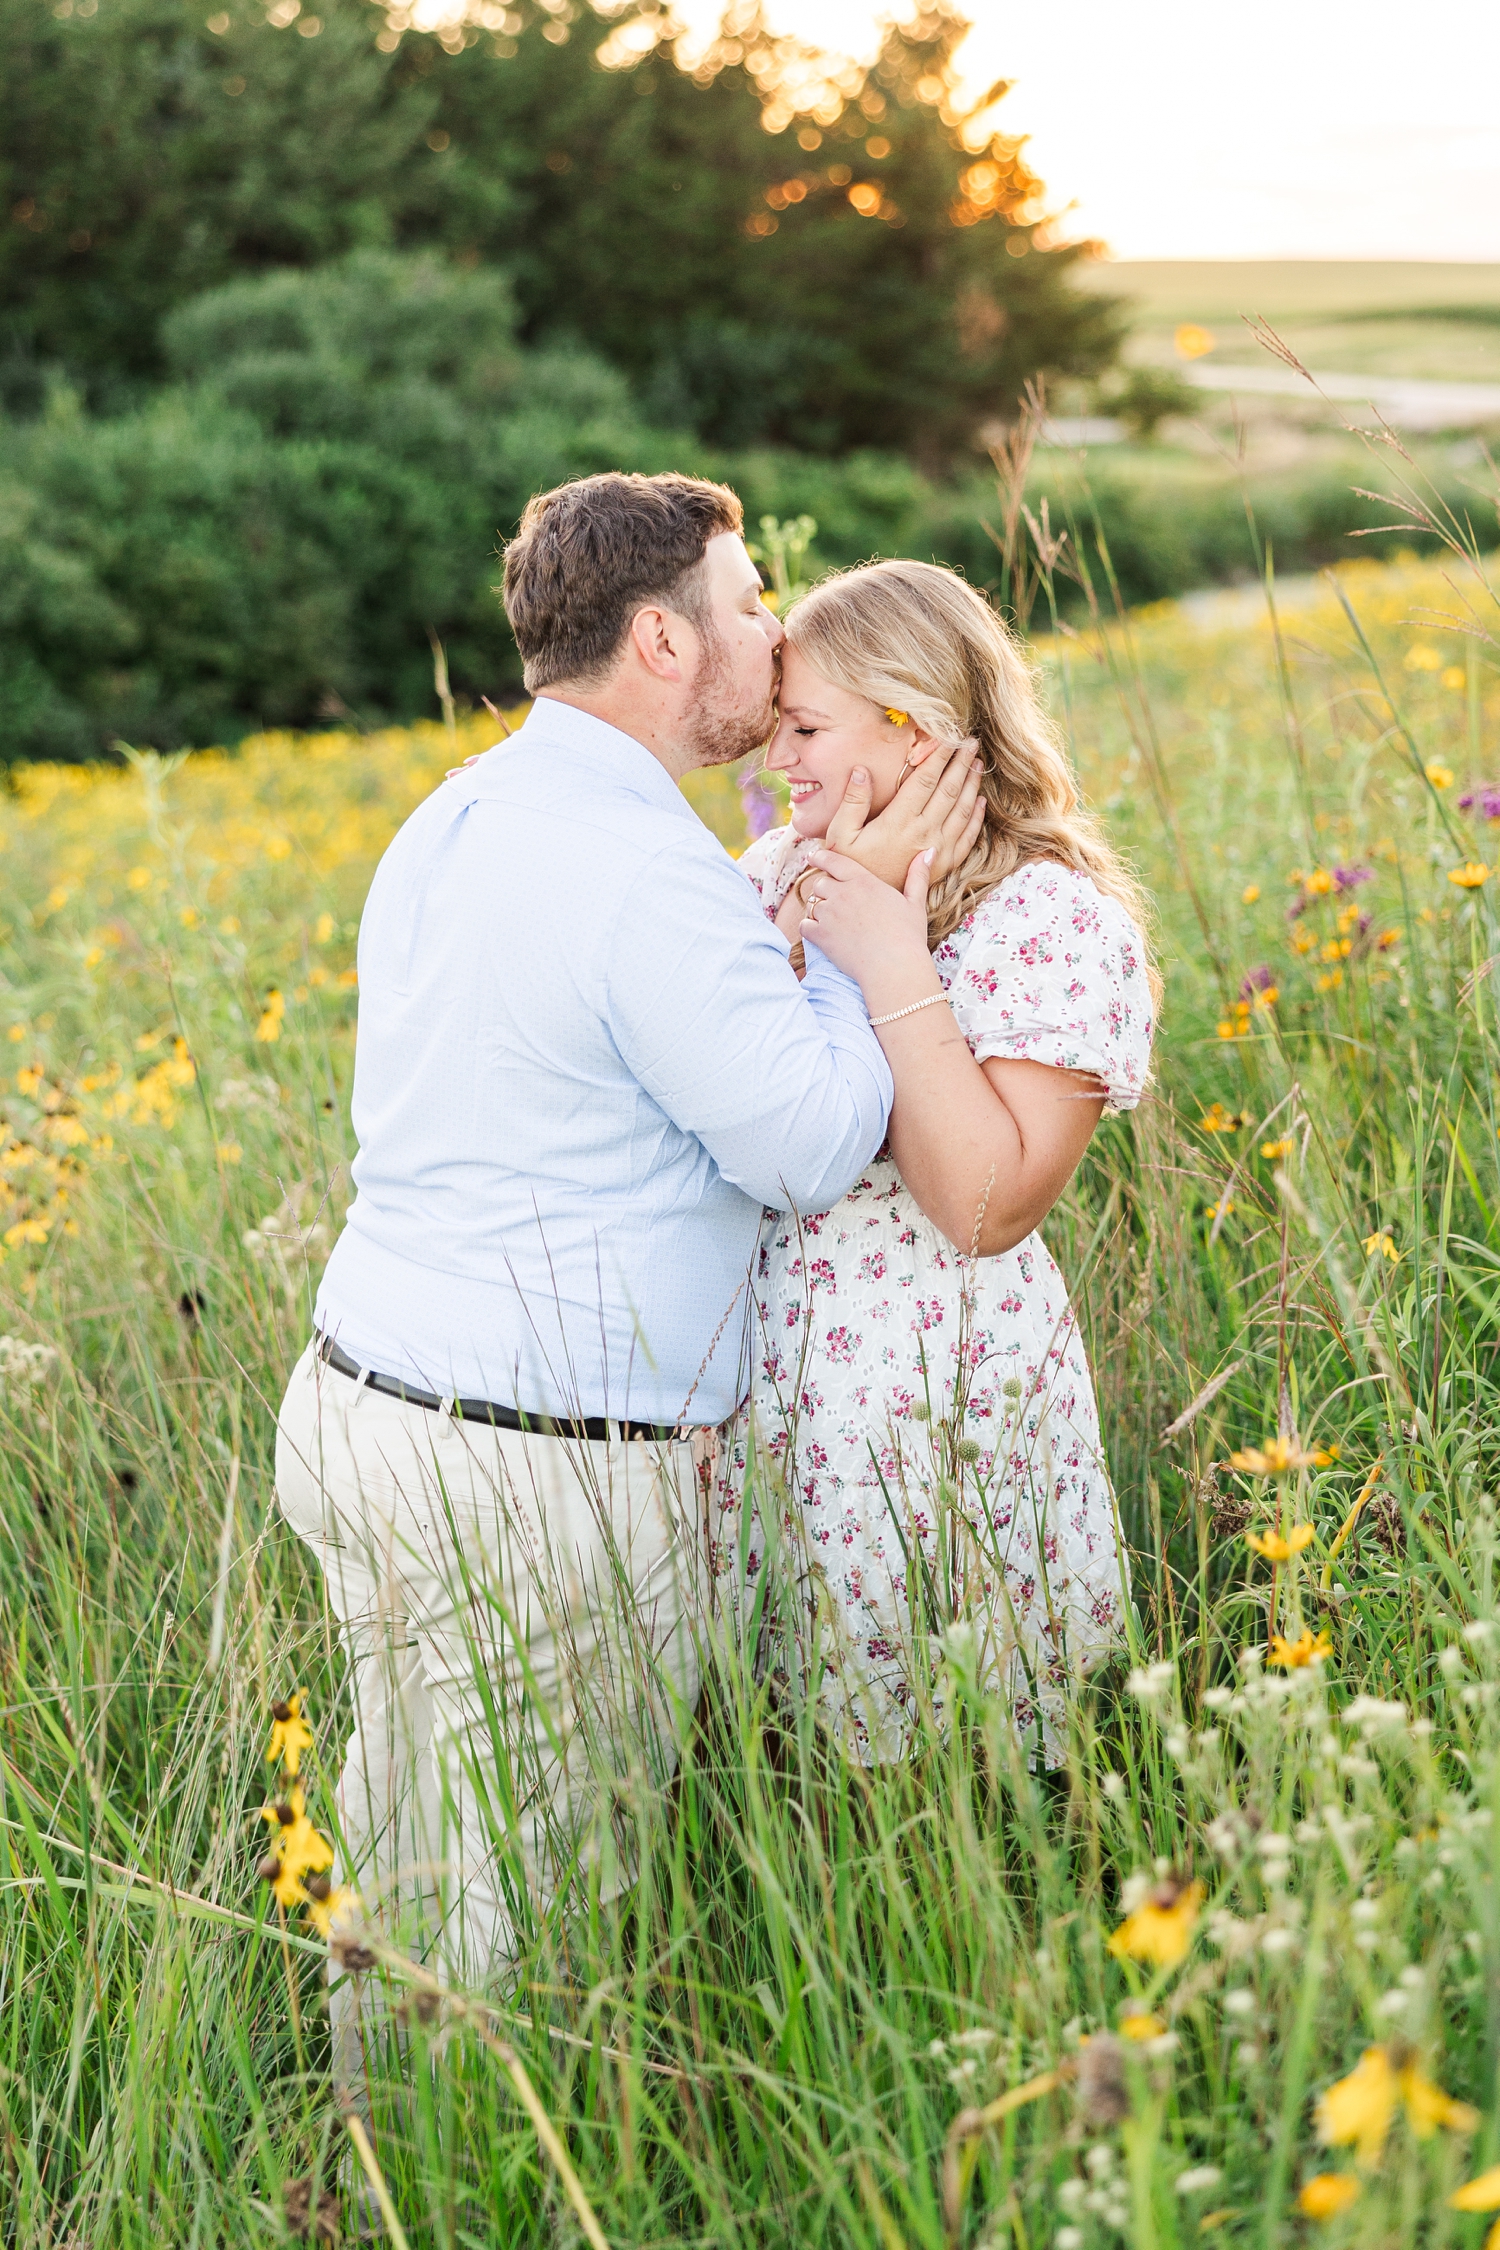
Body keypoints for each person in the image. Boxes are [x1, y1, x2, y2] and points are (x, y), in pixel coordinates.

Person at [271, 474, 977, 2089]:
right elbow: (805, 1147)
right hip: (534, 1462)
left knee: (414, 1839)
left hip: (365, 1403)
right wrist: (865, 934)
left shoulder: (452, 816)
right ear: (661, 638)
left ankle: (363, 2139)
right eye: (748, 605)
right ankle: (467, 2174)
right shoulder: (645, 873)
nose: (776, 631)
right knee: (535, 1893)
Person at [713, 558, 1156, 1763]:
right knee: (785, 1780)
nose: (776, 762)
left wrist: (888, 957)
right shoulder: (766, 882)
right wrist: (825, 912)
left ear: (913, 728)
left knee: (968, 1789)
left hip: (942, 1415)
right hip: (766, 1414)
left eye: (804, 727)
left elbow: (982, 1205)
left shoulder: (1046, 918)